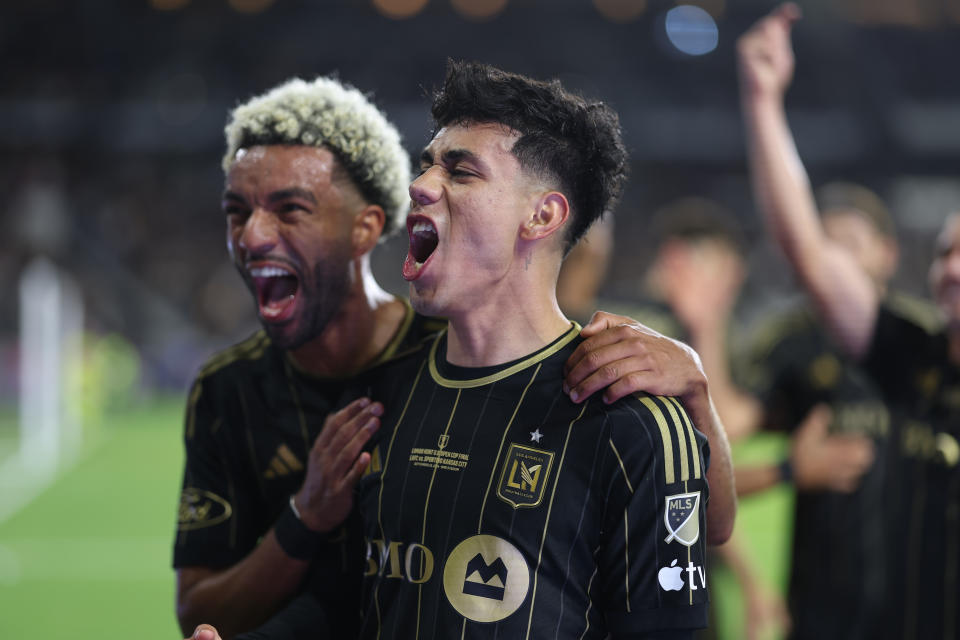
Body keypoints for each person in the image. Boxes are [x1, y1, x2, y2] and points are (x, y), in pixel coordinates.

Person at [176, 75, 735, 639]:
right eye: (427, 164)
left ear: (542, 216)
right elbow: (352, 598)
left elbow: (701, 558)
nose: (420, 185)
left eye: (460, 171)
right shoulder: (376, 399)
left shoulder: (629, 416)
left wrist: (698, 401)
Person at [739, 4, 960, 638]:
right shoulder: (912, 356)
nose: (948, 268)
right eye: (943, 252)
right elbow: (807, 250)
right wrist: (762, 100)